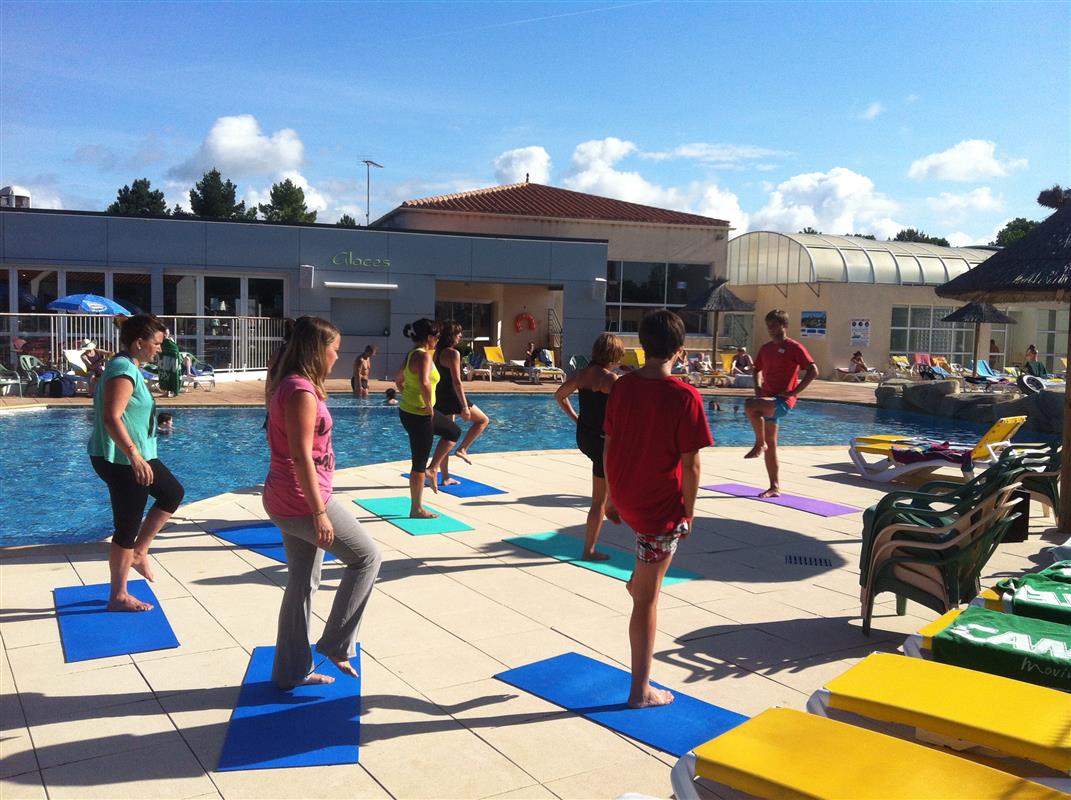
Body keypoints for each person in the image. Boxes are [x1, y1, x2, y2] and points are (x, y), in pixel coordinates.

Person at [263, 316, 382, 690]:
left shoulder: (287, 382)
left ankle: (290, 671)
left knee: (302, 582)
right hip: (302, 500)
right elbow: (300, 456)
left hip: (286, 496)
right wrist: (319, 513)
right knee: (367, 558)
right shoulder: (300, 391)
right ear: (317, 351)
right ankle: (336, 643)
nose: (337, 357)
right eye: (334, 350)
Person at [603, 310, 712, 708]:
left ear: (642, 347)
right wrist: (689, 511)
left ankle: (639, 578)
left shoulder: (622, 387)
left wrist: (611, 496)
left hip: (628, 498)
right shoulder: (684, 396)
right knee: (646, 602)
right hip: (657, 511)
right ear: (680, 351)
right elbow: (691, 465)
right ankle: (640, 691)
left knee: (646, 572)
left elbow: (609, 444)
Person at [88, 314, 185, 612]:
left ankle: (139, 553)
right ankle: (118, 595)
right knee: (127, 527)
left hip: (136, 455)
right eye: (156, 343)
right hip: (121, 459)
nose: (160, 349)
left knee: (171, 493)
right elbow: (111, 417)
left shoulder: (129, 366)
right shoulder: (123, 369)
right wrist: (133, 455)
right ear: (139, 342)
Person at [554, 332, 624, 561]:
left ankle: (613, 499)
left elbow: (559, 396)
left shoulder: (581, 375)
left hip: (584, 437)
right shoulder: (611, 380)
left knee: (602, 487)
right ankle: (589, 550)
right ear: (613, 355)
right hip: (602, 442)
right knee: (598, 501)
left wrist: (576, 419)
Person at [744, 309, 818, 498]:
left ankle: (759, 443)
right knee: (771, 443)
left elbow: (813, 370)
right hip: (768, 399)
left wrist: (794, 391)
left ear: (784, 326)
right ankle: (774, 487)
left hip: (783, 400)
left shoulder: (794, 347)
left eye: (774, 325)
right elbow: (757, 369)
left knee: (750, 405)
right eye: (768, 326)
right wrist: (757, 387)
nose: (770, 329)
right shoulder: (766, 348)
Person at [395, 319, 461, 518]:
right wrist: (429, 406)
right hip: (420, 415)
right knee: (418, 463)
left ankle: (433, 469)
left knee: (453, 431)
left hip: (410, 411)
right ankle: (416, 508)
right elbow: (425, 383)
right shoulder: (423, 356)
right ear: (430, 337)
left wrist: (407, 395)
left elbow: (398, 379)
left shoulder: (412, 354)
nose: (438, 340)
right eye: (437, 337)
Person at [434, 321, 490, 484]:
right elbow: (457, 381)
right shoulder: (453, 354)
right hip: (453, 396)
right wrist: (464, 406)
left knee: (447, 438)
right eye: (458, 333)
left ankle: (445, 477)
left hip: (441, 396)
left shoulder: (437, 353)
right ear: (451, 336)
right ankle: (463, 449)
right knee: (483, 420)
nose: (460, 336)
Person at [158, 329, 182, 397]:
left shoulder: (170, 340)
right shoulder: (160, 341)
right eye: (164, 333)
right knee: (164, 376)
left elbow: (175, 349)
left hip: (172, 362)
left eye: (166, 333)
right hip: (163, 362)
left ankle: (174, 392)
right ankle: (166, 392)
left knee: (173, 376)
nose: (165, 335)